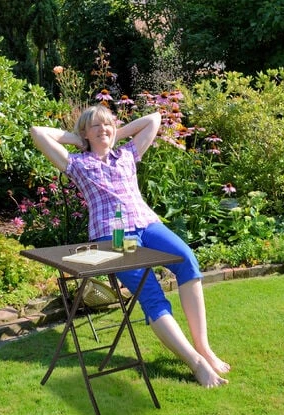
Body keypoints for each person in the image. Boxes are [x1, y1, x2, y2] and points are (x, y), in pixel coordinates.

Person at [30, 105, 230, 388]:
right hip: (114, 237)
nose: (103, 129)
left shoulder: (126, 154)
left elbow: (154, 119)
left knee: (187, 260)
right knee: (151, 292)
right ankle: (195, 363)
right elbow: (37, 132)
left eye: (107, 124)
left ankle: (204, 348)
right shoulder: (77, 164)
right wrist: (78, 139)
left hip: (148, 225)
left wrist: (113, 133)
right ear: (85, 133)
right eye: (95, 126)